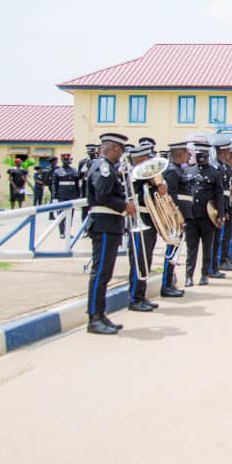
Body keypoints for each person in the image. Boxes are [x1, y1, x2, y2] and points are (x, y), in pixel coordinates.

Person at [84, 132, 134, 335]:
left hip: (110, 224)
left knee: (105, 273)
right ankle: (94, 318)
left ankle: (100, 314)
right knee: (100, 273)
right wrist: (125, 205)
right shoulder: (103, 167)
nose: (121, 154)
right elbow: (102, 196)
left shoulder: (109, 168)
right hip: (103, 225)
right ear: (114, 148)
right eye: (121, 150)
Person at [125, 143, 160, 312]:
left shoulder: (146, 177)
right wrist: (156, 191)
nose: (148, 160)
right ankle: (134, 298)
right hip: (139, 222)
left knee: (146, 261)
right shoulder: (134, 175)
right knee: (139, 262)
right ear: (138, 158)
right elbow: (138, 197)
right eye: (145, 157)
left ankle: (141, 296)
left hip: (149, 220)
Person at [185, 143, 225, 286]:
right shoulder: (188, 171)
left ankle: (204, 274)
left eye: (204, 157)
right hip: (191, 217)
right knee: (191, 248)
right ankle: (188, 276)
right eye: (199, 157)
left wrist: (221, 214)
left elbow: (219, 195)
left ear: (208, 156)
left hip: (208, 217)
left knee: (207, 247)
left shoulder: (215, 172)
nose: (202, 159)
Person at [159, 140, 188, 297]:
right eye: (186, 153)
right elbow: (171, 198)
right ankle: (166, 284)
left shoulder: (178, 170)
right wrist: (177, 217)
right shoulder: (172, 171)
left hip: (181, 217)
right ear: (179, 154)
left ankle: (170, 282)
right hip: (176, 218)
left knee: (175, 252)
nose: (187, 157)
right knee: (171, 252)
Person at [211, 139, 232, 276]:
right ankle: (218, 262)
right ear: (223, 152)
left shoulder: (223, 167)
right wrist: (223, 211)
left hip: (225, 205)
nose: (229, 154)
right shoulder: (217, 167)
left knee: (221, 237)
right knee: (218, 238)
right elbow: (219, 192)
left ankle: (220, 261)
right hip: (219, 207)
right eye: (227, 151)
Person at [51, 153, 80, 238]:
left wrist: (78, 195)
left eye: (68, 160)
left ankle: (68, 231)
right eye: (65, 160)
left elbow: (77, 184)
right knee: (61, 214)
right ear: (62, 161)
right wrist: (54, 197)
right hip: (61, 196)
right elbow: (54, 185)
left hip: (72, 195)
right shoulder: (57, 171)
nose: (66, 162)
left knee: (70, 215)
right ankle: (62, 232)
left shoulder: (74, 171)